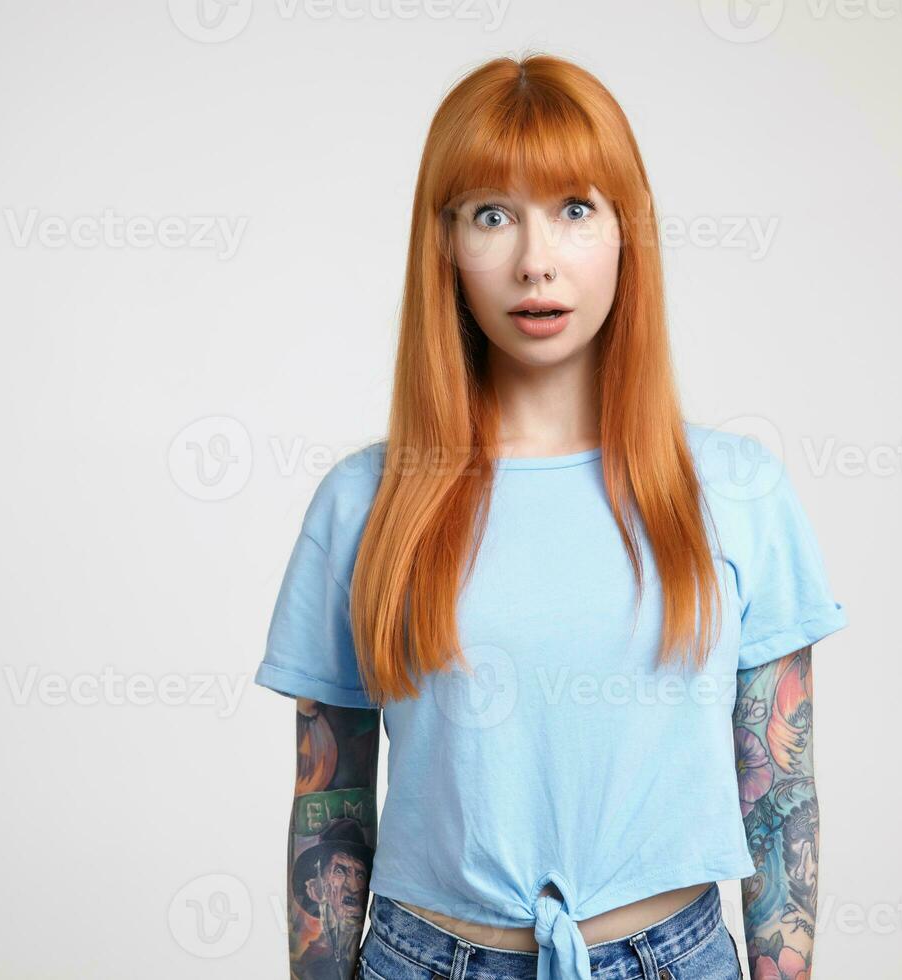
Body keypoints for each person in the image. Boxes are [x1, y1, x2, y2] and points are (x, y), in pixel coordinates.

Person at [256, 52, 847, 980]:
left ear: (625, 233)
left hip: (672, 958)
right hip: (426, 959)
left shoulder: (737, 493)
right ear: (445, 243)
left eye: (575, 209)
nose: (535, 261)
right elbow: (330, 810)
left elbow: (780, 798)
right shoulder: (364, 504)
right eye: (492, 214)